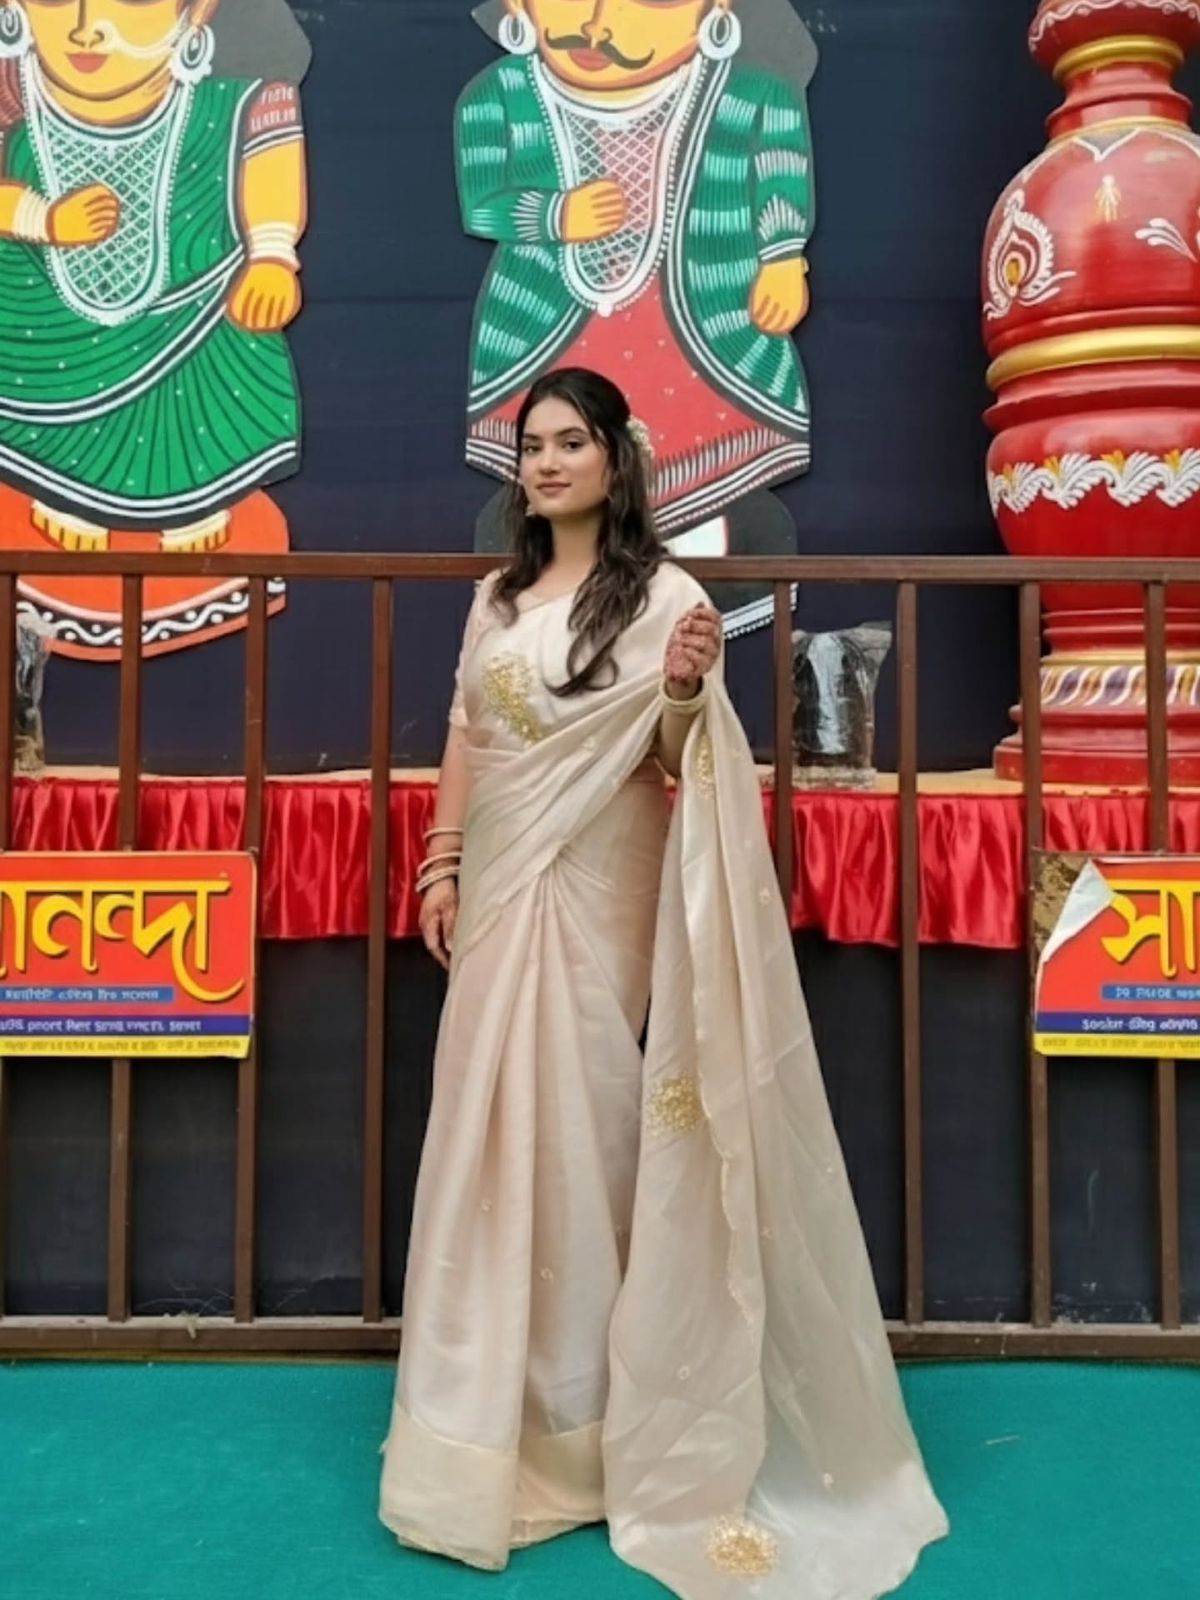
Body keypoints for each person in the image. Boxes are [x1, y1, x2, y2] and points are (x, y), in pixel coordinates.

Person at [379, 367, 949, 1598]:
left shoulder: (669, 597)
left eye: (570, 442)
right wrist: (442, 858)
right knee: (482, 1128)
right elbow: (467, 733)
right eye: (532, 445)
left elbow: (684, 751)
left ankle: (591, 1425)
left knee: (587, 1133)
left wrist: (687, 688)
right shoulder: (497, 597)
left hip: (604, 880)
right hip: (500, 882)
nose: (546, 463)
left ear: (615, 458)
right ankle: (479, 1426)